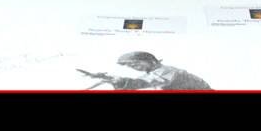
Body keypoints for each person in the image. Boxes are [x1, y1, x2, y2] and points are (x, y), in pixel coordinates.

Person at [80, 52, 210, 90]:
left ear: (151, 61)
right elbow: (141, 81)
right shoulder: (154, 72)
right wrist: (108, 78)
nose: (134, 67)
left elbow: (144, 82)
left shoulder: (166, 71)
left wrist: (120, 81)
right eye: (130, 66)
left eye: (136, 64)